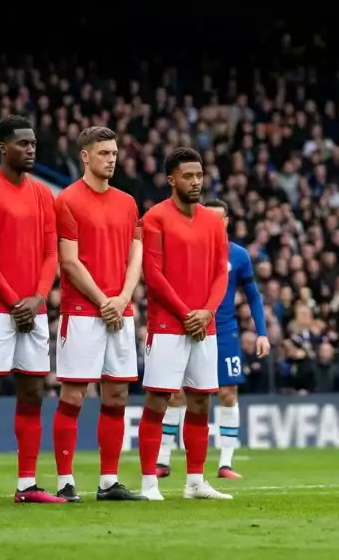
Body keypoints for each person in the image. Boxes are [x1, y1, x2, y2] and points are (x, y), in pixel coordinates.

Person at [0, 115, 67, 504]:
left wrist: (39, 297)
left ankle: (27, 484)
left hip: (34, 309)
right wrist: (13, 300)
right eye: (23, 144)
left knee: (33, 391)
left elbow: (50, 252)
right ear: (3, 147)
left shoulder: (43, 194)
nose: (31, 149)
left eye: (34, 143)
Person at [52, 126, 145, 502]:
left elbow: (135, 255)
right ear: (85, 157)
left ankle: (109, 480)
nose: (112, 158)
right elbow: (69, 261)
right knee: (74, 394)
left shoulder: (128, 202)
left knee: (117, 394)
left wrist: (121, 298)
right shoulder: (68, 200)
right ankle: (64, 480)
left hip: (120, 310)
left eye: (114, 152)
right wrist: (104, 300)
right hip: (81, 311)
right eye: (104, 152)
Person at [135, 148, 232, 501]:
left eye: (199, 175)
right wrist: (186, 313)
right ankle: (149, 483)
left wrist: (206, 312)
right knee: (159, 401)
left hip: (204, 326)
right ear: (171, 179)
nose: (195, 182)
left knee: (201, 403)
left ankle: (195, 482)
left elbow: (222, 272)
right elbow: (154, 275)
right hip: (168, 326)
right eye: (188, 176)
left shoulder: (211, 221)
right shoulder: (155, 217)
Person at [156, 198, 269, 480]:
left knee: (228, 393)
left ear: (228, 221)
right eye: (211, 217)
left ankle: (226, 464)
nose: (217, 223)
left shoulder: (239, 256)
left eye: (222, 218)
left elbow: (253, 296)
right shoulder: (189, 247)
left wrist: (262, 332)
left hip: (225, 333)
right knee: (177, 393)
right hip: (189, 327)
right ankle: (163, 460)